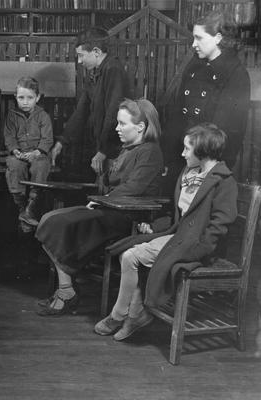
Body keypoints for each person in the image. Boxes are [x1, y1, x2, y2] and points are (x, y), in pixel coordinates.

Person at [95, 122, 237, 340]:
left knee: (131, 256)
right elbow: (180, 215)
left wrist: (197, 250)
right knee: (126, 252)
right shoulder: (190, 173)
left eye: (187, 149)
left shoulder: (223, 182)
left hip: (198, 247)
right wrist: (156, 228)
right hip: (178, 237)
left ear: (203, 151)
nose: (182, 153)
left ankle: (122, 315)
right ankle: (134, 315)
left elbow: (220, 224)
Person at [35, 98, 163, 317]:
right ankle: (67, 289)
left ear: (141, 127)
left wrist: (102, 199)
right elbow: (112, 182)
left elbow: (134, 187)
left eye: (122, 124)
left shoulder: (149, 151)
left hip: (126, 217)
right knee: (49, 219)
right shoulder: (128, 149)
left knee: (58, 222)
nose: (117, 128)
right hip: (109, 209)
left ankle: (66, 293)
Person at [162, 10, 250, 193]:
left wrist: (201, 164)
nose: (194, 44)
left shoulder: (236, 75)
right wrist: (169, 157)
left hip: (209, 166)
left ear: (218, 38)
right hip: (182, 160)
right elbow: (177, 114)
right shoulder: (194, 66)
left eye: (199, 38)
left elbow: (225, 130)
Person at [51, 27, 130, 183]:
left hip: (115, 151)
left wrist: (104, 151)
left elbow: (114, 113)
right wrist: (62, 141)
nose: (79, 61)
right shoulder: (94, 73)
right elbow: (81, 111)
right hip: (103, 149)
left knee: (108, 190)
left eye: (81, 56)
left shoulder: (113, 70)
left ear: (96, 51)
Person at [3, 76, 53, 227]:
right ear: (15, 97)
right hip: (19, 155)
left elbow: (47, 139)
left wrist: (37, 152)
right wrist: (15, 151)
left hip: (37, 154)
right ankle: (21, 207)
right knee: (14, 166)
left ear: (37, 98)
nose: (25, 102)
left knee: (41, 166)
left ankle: (31, 206)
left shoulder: (43, 116)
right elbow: (9, 137)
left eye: (30, 98)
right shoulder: (12, 116)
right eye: (21, 97)